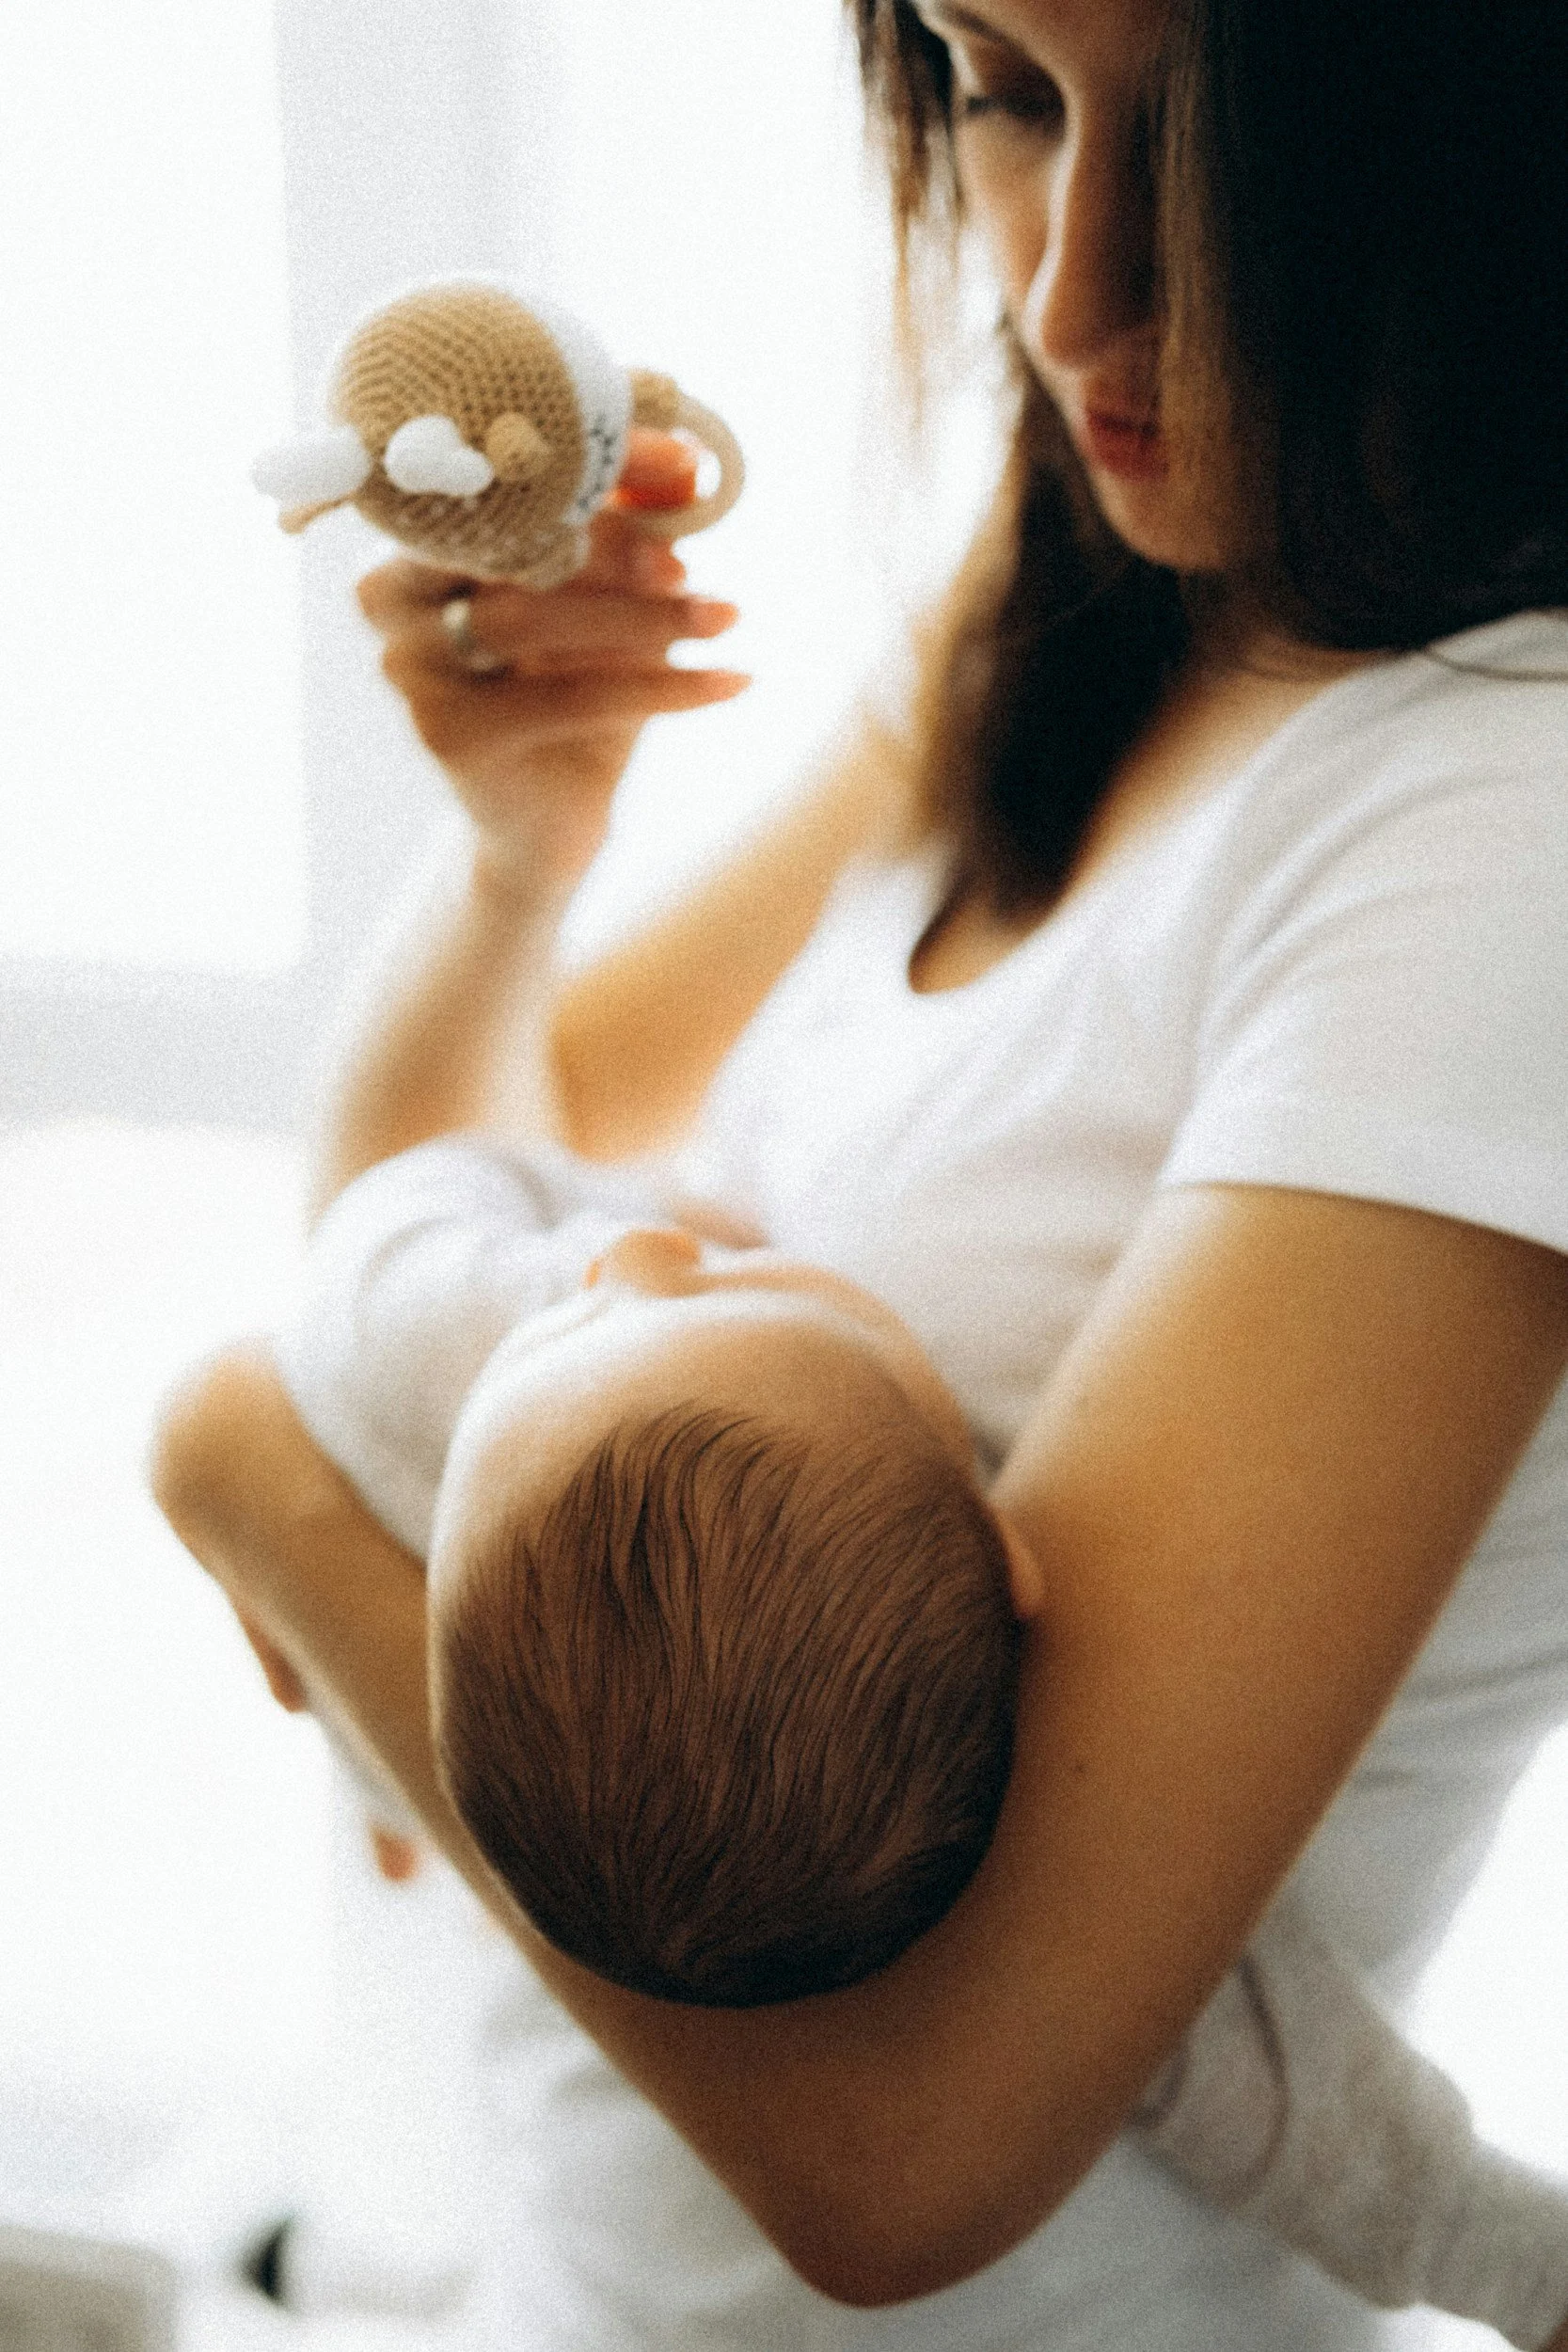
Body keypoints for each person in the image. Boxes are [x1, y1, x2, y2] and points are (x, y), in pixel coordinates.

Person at [151, 0, 1568, 2343]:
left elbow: (913, 2146)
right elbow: (423, 1295)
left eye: (1222, 154)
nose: (1059, 296)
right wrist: (518, 850)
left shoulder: (1499, 825)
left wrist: (232, 1470)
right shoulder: (1063, 631)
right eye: (995, 90)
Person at [267, 1123, 1568, 2338]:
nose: (643, 1259)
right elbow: (1333, 2133)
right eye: (731, 1292)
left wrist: (554, 1225)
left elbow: (391, 1221)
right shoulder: (1047, 1894)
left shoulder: (451, 1359)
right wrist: (1520, 2267)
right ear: (1006, 1554)